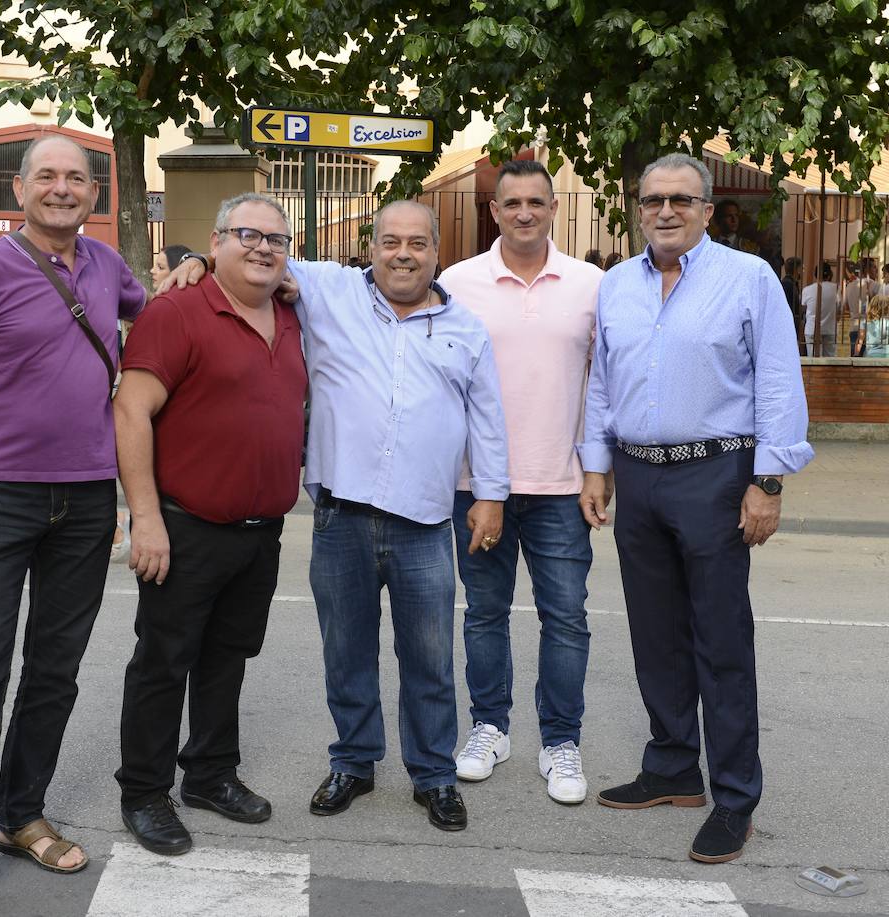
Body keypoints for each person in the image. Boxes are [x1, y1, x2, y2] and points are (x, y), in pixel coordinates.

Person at [161, 200, 510, 833]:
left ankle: (432, 775)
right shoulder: (329, 289)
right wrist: (194, 266)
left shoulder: (467, 328)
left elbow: (487, 417)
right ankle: (354, 761)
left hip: (426, 522)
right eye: (390, 242)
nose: (403, 254)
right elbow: (252, 260)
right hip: (341, 518)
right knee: (345, 652)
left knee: (429, 658)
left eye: (418, 243)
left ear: (437, 253)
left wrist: (491, 495)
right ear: (371, 247)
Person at [0, 134, 147, 917]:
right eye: (48, 175)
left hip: (84, 500)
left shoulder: (108, 267)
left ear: (94, 193)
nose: (63, 188)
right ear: (20, 188)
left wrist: (206, 268)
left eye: (77, 177)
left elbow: (160, 316)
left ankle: (22, 815)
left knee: (54, 668)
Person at [579, 153, 812, 865]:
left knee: (720, 640)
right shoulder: (617, 285)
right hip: (639, 478)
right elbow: (600, 380)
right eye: (653, 199)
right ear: (638, 210)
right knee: (656, 633)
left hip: (716, 474)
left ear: (708, 210)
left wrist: (768, 480)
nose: (667, 210)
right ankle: (674, 765)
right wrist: (596, 463)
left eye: (683, 198)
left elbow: (777, 377)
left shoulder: (748, 279)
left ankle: (735, 797)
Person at [113, 193, 307, 857]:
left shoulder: (290, 312)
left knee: (228, 656)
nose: (261, 247)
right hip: (185, 525)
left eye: (275, 238)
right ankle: (143, 790)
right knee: (164, 662)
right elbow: (131, 412)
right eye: (246, 234)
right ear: (215, 242)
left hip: (261, 532)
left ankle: (210, 774)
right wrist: (144, 517)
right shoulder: (177, 311)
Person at [436, 160, 600, 804]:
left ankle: (561, 742)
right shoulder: (458, 282)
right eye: (512, 203)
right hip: (477, 487)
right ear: (495, 211)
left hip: (562, 485)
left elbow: (605, 385)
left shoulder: (590, 285)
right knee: (484, 614)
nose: (524, 212)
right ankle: (490, 727)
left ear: (553, 208)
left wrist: (597, 468)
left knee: (566, 619)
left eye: (536, 201)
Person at [801, 263, 840, 355]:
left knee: (813, 360)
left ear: (815, 275)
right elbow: (839, 309)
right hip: (830, 329)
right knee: (830, 361)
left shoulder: (807, 290)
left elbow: (803, 308)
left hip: (812, 328)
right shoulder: (836, 288)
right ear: (830, 274)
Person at [855, 293, 889, 358]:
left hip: (869, 356)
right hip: (886, 357)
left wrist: (856, 355)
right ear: (886, 309)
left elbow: (860, 340)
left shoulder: (865, 323)